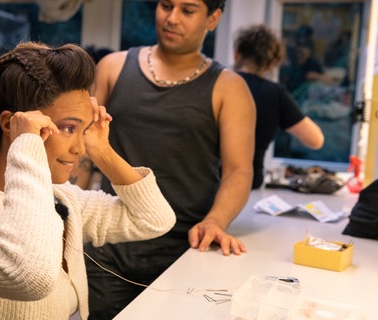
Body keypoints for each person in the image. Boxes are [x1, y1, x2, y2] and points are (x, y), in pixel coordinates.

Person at [0, 41, 176, 320]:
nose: (79, 148)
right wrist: (26, 144)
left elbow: (153, 219)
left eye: (84, 130)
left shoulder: (62, 197)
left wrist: (102, 151)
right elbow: (29, 276)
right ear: (9, 124)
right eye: (68, 128)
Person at [77, 0, 255, 318]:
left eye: (187, 10)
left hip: (184, 248)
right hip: (109, 244)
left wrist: (216, 221)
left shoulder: (229, 87)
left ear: (213, 18)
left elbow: (238, 170)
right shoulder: (113, 67)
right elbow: (81, 150)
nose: (172, 18)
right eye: (166, 5)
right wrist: (65, 215)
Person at [233, 24, 324, 189]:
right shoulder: (275, 93)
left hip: (208, 186)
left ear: (237, 54)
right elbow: (315, 140)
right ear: (270, 65)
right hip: (247, 186)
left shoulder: (216, 84)